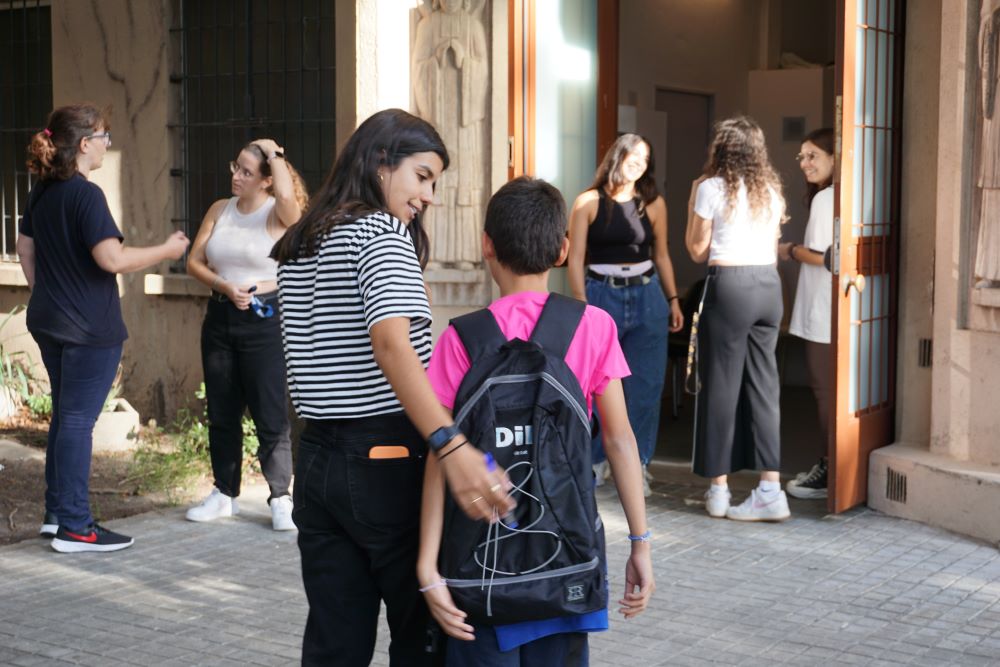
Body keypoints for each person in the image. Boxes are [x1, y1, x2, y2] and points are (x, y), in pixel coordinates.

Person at [271, 108, 513, 666]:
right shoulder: (380, 233)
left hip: (316, 459)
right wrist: (451, 444)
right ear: (381, 162)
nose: (428, 196)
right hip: (385, 457)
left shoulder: (301, 239)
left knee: (334, 645)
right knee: (420, 636)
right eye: (422, 177)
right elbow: (392, 345)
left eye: (434, 183)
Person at [419, 176, 654, 665]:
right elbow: (620, 441)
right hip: (565, 567)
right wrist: (640, 543)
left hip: (482, 573)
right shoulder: (594, 326)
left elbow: (441, 455)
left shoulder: (461, 338)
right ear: (563, 250)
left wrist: (428, 567)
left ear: (486, 245)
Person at [20, 104, 190, 552]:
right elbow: (111, 259)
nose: (107, 144)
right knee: (77, 422)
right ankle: (77, 528)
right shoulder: (85, 195)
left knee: (65, 417)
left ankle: (57, 515)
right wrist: (166, 250)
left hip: (50, 321)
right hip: (87, 329)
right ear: (83, 144)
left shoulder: (42, 191)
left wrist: (47, 293)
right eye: (103, 137)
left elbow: (25, 250)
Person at [184, 139, 309, 530]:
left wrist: (275, 154)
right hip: (220, 317)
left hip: (264, 319)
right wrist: (223, 285)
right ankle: (224, 493)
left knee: (270, 412)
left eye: (247, 172)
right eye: (235, 167)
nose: (236, 176)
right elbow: (194, 262)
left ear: (267, 180)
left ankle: (281, 497)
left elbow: (289, 199)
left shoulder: (278, 213)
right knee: (222, 411)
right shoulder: (220, 209)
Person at [685, 116, 791, 522]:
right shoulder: (771, 191)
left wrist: (692, 200)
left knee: (721, 386)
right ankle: (770, 490)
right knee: (765, 387)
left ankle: (719, 490)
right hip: (768, 286)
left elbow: (696, 250)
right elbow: (772, 244)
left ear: (722, 148)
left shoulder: (711, 188)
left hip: (729, 285)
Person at [567, 133, 684, 497]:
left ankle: (639, 465)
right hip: (601, 294)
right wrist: (582, 303)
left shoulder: (653, 204)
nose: (639, 163)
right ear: (617, 155)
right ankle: (597, 460)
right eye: (635, 155)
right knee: (596, 383)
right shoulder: (588, 201)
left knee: (645, 387)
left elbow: (661, 254)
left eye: (645, 159)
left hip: (647, 294)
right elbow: (575, 258)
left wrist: (674, 299)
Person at [779, 128, 835, 500]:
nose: (804, 163)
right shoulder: (841, 194)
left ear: (834, 157)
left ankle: (830, 469)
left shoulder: (827, 198)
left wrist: (790, 250)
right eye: (802, 156)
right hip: (835, 306)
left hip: (825, 307)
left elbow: (826, 257)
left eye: (813, 155)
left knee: (824, 390)